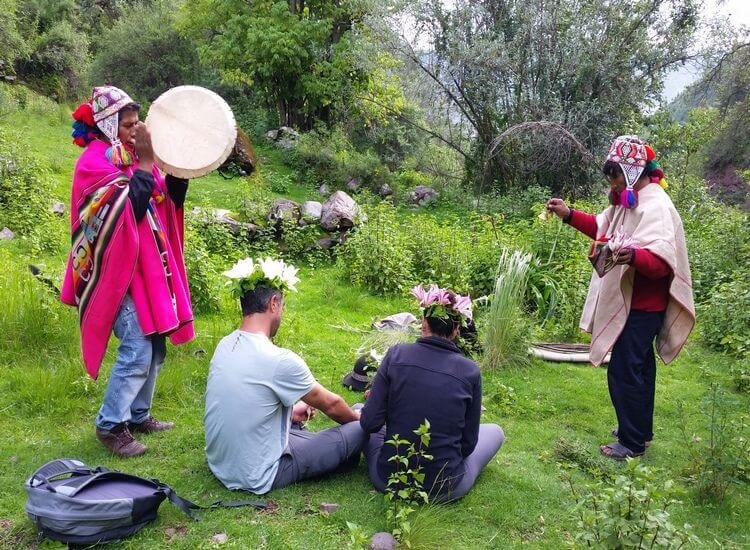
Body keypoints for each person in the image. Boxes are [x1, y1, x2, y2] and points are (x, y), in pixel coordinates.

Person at [61, 85, 195, 457]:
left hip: (145, 272)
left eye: (138, 124)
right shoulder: (94, 163)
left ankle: (138, 414)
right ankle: (110, 424)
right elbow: (125, 212)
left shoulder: (129, 158)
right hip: (114, 276)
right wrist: (150, 162)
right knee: (136, 345)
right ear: (106, 126)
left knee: (155, 342)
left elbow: (161, 201)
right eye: (127, 126)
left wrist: (179, 171)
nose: (136, 132)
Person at [546, 135, 695, 460]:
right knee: (640, 369)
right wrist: (568, 214)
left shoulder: (654, 204)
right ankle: (640, 429)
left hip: (642, 308)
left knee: (624, 371)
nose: (611, 183)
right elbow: (602, 226)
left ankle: (630, 443)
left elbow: (660, 265)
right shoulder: (628, 199)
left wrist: (632, 256)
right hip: (638, 307)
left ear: (630, 171)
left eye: (614, 175)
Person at [205, 257, 366, 494]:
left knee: (301, 419)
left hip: (221, 463)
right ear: (273, 303)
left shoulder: (225, 344)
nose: (282, 312)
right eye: (282, 305)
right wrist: (357, 418)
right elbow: (331, 405)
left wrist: (290, 413)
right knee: (362, 423)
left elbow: (246, 401)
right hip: (259, 472)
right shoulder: (278, 359)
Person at [360, 284, 505, 503]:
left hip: (388, 480)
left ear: (424, 322)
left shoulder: (396, 354)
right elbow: (467, 445)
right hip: (444, 487)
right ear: (457, 329)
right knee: (495, 431)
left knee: (360, 413)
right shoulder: (470, 371)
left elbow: (369, 422)